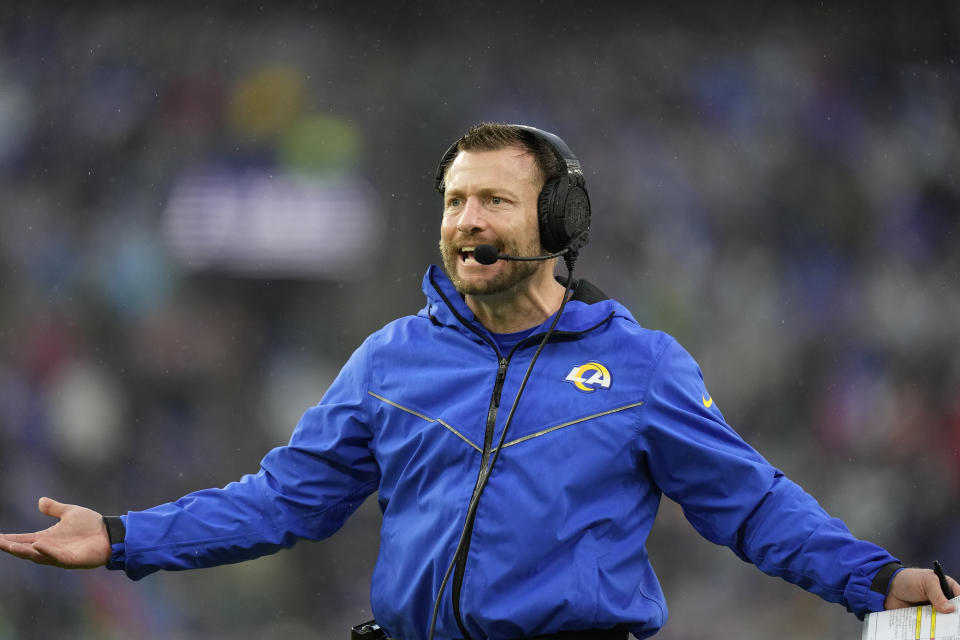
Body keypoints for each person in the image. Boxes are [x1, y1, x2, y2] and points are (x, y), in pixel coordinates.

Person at [0, 123, 956, 640]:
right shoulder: (389, 360)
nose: (466, 221)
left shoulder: (643, 367)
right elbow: (281, 502)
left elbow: (750, 506)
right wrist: (123, 538)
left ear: (562, 218)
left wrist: (872, 578)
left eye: (494, 200)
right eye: (455, 201)